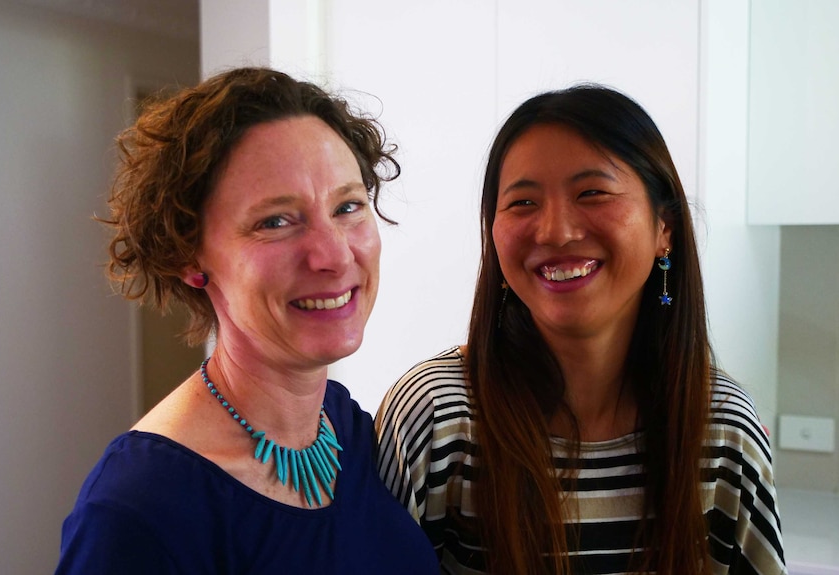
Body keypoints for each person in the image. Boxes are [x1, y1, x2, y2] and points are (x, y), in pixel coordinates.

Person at [376, 85, 786, 575]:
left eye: (592, 193)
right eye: (523, 203)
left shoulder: (721, 429)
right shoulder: (437, 415)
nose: (554, 231)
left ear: (665, 229)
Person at [55, 67, 438, 574]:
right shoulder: (137, 511)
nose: (334, 255)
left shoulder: (349, 429)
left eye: (348, 206)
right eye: (275, 221)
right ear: (188, 256)